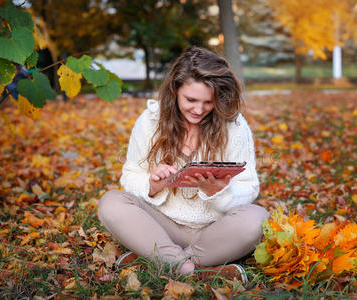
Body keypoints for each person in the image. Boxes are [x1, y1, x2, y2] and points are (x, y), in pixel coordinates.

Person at [98, 46, 269, 283]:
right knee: (111, 203)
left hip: (215, 230)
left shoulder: (234, 125)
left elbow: (249, 186)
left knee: (258, 219)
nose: (199, 110)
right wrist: (152, 185)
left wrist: (218, 192)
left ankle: (161, 262)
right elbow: (130, 174)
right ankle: (195, 271)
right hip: (161, 225)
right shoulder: (150, 120)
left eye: (208, 102)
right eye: (190, 100)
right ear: (175, 89)